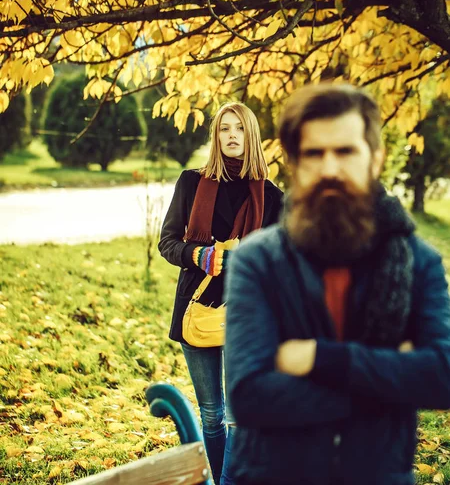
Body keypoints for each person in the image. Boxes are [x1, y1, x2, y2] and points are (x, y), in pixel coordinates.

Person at [224, 83, 450, 485]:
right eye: (314, 153)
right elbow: (249, 397)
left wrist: (321, 359)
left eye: (345, 151)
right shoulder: (257, 262)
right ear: (294, 163)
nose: (330, 168)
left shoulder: (418, 262)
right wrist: (391, 380)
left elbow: (442, 376)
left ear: (375, 158)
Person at [158, 101, 283, 485]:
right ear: (216, 136)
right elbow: (167, 243)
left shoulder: (274, 197)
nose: (232, 136)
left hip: (247, 314)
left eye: (240, 129)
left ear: (251, 136)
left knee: (239, 413)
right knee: (211, 413)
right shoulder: (191, 183)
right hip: (197, 308)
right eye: (225, 129)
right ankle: (215, 477)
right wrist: (200, 254)